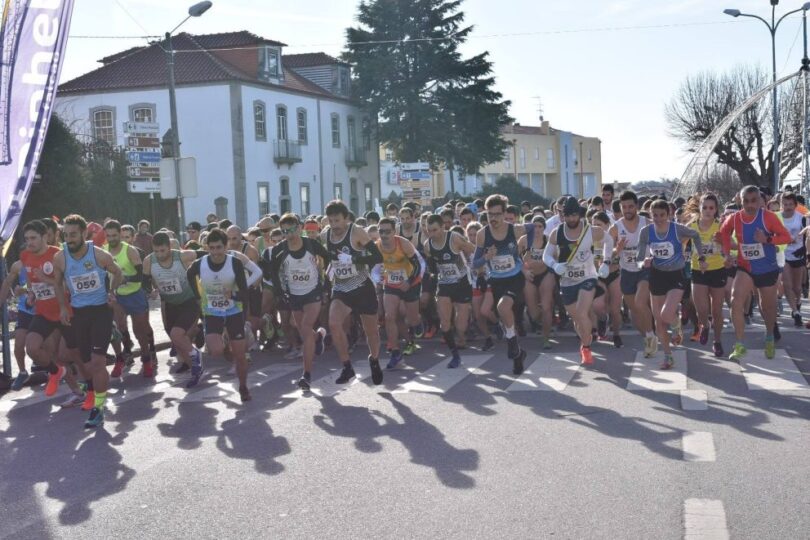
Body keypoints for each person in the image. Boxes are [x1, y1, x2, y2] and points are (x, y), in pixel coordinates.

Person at [53, 214, 123, 428]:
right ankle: (93, 390)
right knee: (86, 362)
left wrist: (112, 291)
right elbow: (57, 284)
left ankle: (98, 408)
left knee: (97, 362)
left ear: (84, 233)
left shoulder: (99, 255)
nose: (69, 239)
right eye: (66, 235)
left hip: (101, 311)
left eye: (73, 234)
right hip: (79, 314)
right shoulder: (60, 258)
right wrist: (63, 307)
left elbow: (118, 272)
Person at [719, 185, 792, 361]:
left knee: (767, 307)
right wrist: (726, 254)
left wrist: (767, 239)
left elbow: (787, 237)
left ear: (760, 201)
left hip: (767, 268)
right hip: (745, 267)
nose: (750, 205)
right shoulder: (735, 218)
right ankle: (739, 344)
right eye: (746, 201)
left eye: (753, 201)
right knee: (736, 301)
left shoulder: (769, 217)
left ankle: (769, 336)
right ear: (740, 201)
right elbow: (724, 232)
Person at [636, 200, 706, 369]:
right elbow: (639, 258)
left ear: (668, 215)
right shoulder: (646, 232)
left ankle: (676, 324)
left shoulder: (677, 229)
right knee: (659, 321)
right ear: (651, 215)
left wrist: (701, 257)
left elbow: (696, 235)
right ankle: (668, 356)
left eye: (662, 215)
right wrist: (643, 262)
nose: (658, 219)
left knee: (666, 314)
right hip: (657, 275)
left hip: (676, 275)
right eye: (655, 215)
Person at [264, 213, 330, 390]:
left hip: (313, 292)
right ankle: (319, 337)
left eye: (292, 230)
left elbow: (328, 257)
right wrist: (279, 291)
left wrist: (326, 283)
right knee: (303, 330)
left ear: (300, 228)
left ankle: (306, 375)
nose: (289, 234)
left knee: (306, 328)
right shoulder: (279, 250)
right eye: (284, 231)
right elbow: (272, 271)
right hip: (294, 294)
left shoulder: (311, 244)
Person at [186, 228, 253, 402]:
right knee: (215, 351)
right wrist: (197, 296)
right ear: (207, 247)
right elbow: (189, 275)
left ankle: (243, 387)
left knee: (240, 355)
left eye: (219, 247)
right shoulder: (200, 263)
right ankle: (226, 345)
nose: (215, 252)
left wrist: (233, 295)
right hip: (212, 311)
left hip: (234, 312)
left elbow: (245, 292)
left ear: (226, 246)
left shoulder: (235, 263)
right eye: (212, 248)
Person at [323, 200, 384, 384]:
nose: (334, 225)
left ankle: (374, 360)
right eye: (331, 221)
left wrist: (353, 259)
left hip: (362, 286)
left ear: (346, 219)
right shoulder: (326, 234)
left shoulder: (356, 232)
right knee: (334, 324)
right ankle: (347, 367)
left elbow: (377, 257)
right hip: (341, 288)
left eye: (337, 220)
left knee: (371, 331)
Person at [544, 197, 610, 365]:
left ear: (579, 215)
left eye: (574, 215)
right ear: (563, 216)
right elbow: (546, 255)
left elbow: (608, 241)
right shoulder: (557, 232)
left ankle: (587, 347)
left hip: (588, 277)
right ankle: (584, 342)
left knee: (581, 312)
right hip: (567, 281)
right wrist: (554, 265)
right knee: (577, 319)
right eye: (568, 216)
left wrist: (606, 262)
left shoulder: (591, 231)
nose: (571, 219)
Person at [473, 194, 533, 374]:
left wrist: (527, 249)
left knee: (502, 307)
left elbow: (531, 228)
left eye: (497, 214)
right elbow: (475, 263)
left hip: (515, 278)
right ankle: (518, 355)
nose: (493, 218)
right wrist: (486, 257)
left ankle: (512, 344)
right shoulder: (482, 234)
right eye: (490, 214)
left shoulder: (514, 230)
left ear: (504, 213)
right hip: (496, 280)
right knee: (504, 314)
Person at [143, 232, 204, 387]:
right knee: (176, 339)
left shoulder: (182, 256)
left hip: (188, 302)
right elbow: (145, 281)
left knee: (177, 334)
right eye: (156, 251)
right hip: (170, 304)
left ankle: (195, 357)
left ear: (169, 247)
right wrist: (150, 290)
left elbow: (206, 254)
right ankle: (193, 367)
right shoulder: (149, 261)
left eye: (163, 250)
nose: (159, 255)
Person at [104, 220, 156, 378]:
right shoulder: (103, 251)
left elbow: (141, 276)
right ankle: (123, 357)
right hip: (118, 296)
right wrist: (108, 291)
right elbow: (104, 275)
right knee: (119, 327)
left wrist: (125, 279)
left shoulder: (130, 251)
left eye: (114, 235)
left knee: (139, 330)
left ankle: (146, 359)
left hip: (134, 294)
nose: (111, 239)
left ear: (120, 234)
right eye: (108, 236)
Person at [608, 190, 657, 356]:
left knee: (640, 302)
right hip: (627, 272)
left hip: (645, 269)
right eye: (624, 207)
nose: (627, 210)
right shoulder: (616, 228)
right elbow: (608, 253)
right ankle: (649, 338)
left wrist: (653, 256)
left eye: (630, 206)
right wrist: (617, 249)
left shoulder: (647, 223)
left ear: (636, 206)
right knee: (636, 313)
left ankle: (650, 336)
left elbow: (660, 241)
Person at [425, 214, 476, 368]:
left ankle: (461, 338)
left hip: (462, 282)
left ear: (443, 227)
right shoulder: (428, 245)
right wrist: (433, 275)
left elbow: (473, 250)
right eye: (429, 230)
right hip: (445, 283)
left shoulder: (454, 238)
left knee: (460, 325)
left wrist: (475, 265)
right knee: (445, 322)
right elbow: (432, 267)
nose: (431, 234)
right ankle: (454, 354)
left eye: (435, 230)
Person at [376, 217, 422, 369]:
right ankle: (395, 352)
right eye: (381, 231)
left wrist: (409, 281)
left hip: (411, 282)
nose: (384, 235)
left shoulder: (403, 244)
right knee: (390, 316)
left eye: (387, 231)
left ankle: (417, 325)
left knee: (411, 318)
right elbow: (372, 266)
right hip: (391, 283)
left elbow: (418, 265)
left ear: (394, 231)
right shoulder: (377, 246)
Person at [688, 194, 727, 357]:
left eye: (711, 208)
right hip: (698, 271)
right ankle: (704, 325)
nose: (708, 211)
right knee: (702, 310)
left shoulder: (721, 225)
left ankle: (717, 341)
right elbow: (678, 242)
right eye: (704, 207)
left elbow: (732, 244)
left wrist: (723, 242)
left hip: (718, 269)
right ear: (700, 208)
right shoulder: (691, 227)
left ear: (716, 209)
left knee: (717, 311)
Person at [519, 216, 554, 349]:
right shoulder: (523, 240)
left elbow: (555, 258)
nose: (537, 229)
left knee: (546, 307)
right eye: (534, 226)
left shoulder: (548, 240)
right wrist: (524, 271)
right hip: (529, 276)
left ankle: (546, 338)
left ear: (544, 228)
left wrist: (545, 262)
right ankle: (543, 322)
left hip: (545, 274)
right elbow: (515, 259)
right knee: (534, 313)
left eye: (540, 226)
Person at [779, 192, 807, 327]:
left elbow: (807, 233)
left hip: (797, 253)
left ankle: (798, 302)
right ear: (781, 205)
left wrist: (805, 249)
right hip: (783, 254)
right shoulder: (777, 218)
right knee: (787, 284)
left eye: (790, 204)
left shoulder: (801, 218)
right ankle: (795, 312)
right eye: (785, 204)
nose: (788, 207)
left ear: (795, 205)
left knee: (797, 287)